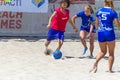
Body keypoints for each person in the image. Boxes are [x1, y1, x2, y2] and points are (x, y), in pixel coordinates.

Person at [90, 0, 120, 73]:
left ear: (104, 3)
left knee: (103, 51)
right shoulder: (113, 12)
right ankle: (110, 70)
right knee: (111, 53)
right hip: (109, 32)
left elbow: (97, 23)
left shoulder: (99, 11)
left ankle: (96, 62)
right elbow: (117, 24)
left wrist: (99, 28)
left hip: (101, 33)